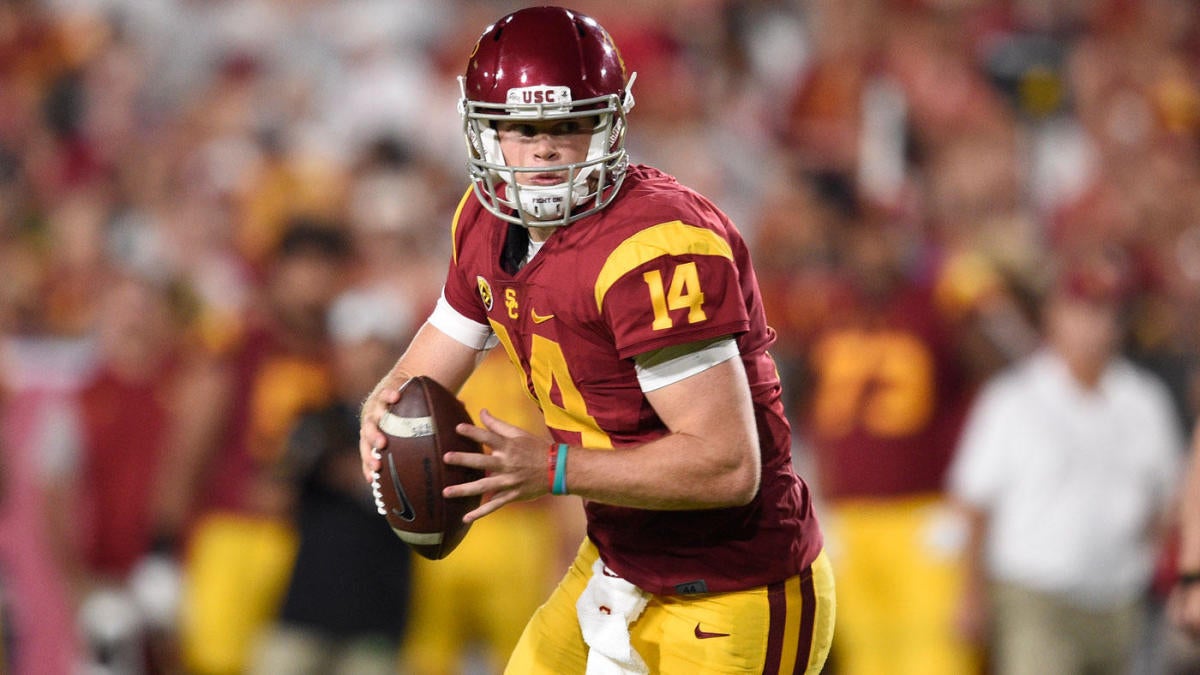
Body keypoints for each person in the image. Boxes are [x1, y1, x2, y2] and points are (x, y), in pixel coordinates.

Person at [357, 7, 834, 674]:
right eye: (524, 129)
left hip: (734, 586)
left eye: (569, 126)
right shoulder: (484, 221)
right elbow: (438, 349)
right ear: (486, 133)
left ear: (608, 124)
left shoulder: (654, 248)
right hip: (618, 561)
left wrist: (550, 468)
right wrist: (381, 407)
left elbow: (728, 464)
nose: (546, 149)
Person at [948, 254, 1183, 675]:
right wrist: (971, 596)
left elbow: (1166, 503)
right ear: (1053, 316)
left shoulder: (1144, 401)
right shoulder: (1012, 399)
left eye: (1103, 311)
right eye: (1079, 310)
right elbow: (975, 503)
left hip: (1120, 595)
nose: (1091, 324)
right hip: (1035, 591)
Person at [248, 288, 414, 675]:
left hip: (379, 616)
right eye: (357, 346)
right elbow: (270, 499)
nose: (369, 358)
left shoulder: (419, 429)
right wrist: (304, 462)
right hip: (307, 607)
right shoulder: (314, 420)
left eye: (379, 346)